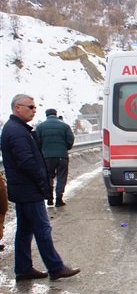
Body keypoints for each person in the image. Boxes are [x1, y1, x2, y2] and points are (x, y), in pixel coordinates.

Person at [1, 94, 80, 281]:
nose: (34, 110)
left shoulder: (17, 129)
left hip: (22, 188)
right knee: (42, 229)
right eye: (30, 107)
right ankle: (55, 267)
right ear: (17, 108)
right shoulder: (17, 131)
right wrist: (41, 180)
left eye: (35, 107)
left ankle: (23, 268)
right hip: (28, 189)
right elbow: (27, 162)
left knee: (25, 230)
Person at [35, 108, 74, 207]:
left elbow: (36, 142)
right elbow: (70, 139)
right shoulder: (64, 126)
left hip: (46, 157)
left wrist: (42, 151)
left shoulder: (40, 127)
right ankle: (59, 199)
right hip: (62, 156)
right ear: (56, 114)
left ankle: (49, 199)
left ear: (46, 115)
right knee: (61, 177)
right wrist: (65, 148)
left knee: (48, 176)